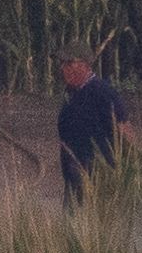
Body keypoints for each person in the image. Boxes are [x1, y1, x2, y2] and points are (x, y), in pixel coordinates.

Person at [54, 53, 127, 206]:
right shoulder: (71, 93)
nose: (62, 68)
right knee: (73, 221)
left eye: (68, 63)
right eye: (62, 64)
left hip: (98, 169)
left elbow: (124, 127)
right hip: (74, 170)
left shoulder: (102, 91)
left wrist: (129, 164)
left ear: (84, 65)